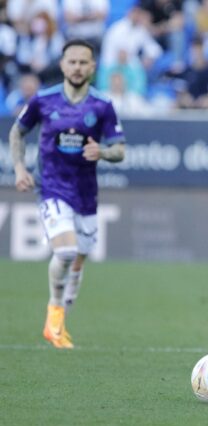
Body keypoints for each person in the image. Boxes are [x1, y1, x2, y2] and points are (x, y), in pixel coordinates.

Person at [10, 39, 126, 349]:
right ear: (62, 65)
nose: (77, 67)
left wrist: (101, 151)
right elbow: (17, 132)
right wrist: (20, 169)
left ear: (92, 67)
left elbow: (120, 151)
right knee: (65, 252)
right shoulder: (43, 100)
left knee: (78, 259)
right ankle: (54, 312)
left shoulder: (102, 105)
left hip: (86, 194)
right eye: (71, 62)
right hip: (52, 188)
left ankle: (62, 316)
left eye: (83, 62)